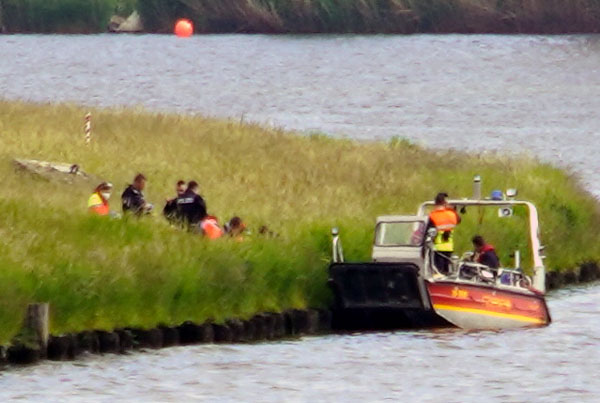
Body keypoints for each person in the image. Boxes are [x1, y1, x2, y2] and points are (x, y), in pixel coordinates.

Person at [427, 192, 461, 274]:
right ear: (445, 203)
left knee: (437, 272)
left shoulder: (432, 216)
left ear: (435, 203)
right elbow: (459, 220)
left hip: (437, 248)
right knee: (446, 271)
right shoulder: (452, 214)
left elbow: (427, 231)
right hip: (449, 248)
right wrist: (450, 209)